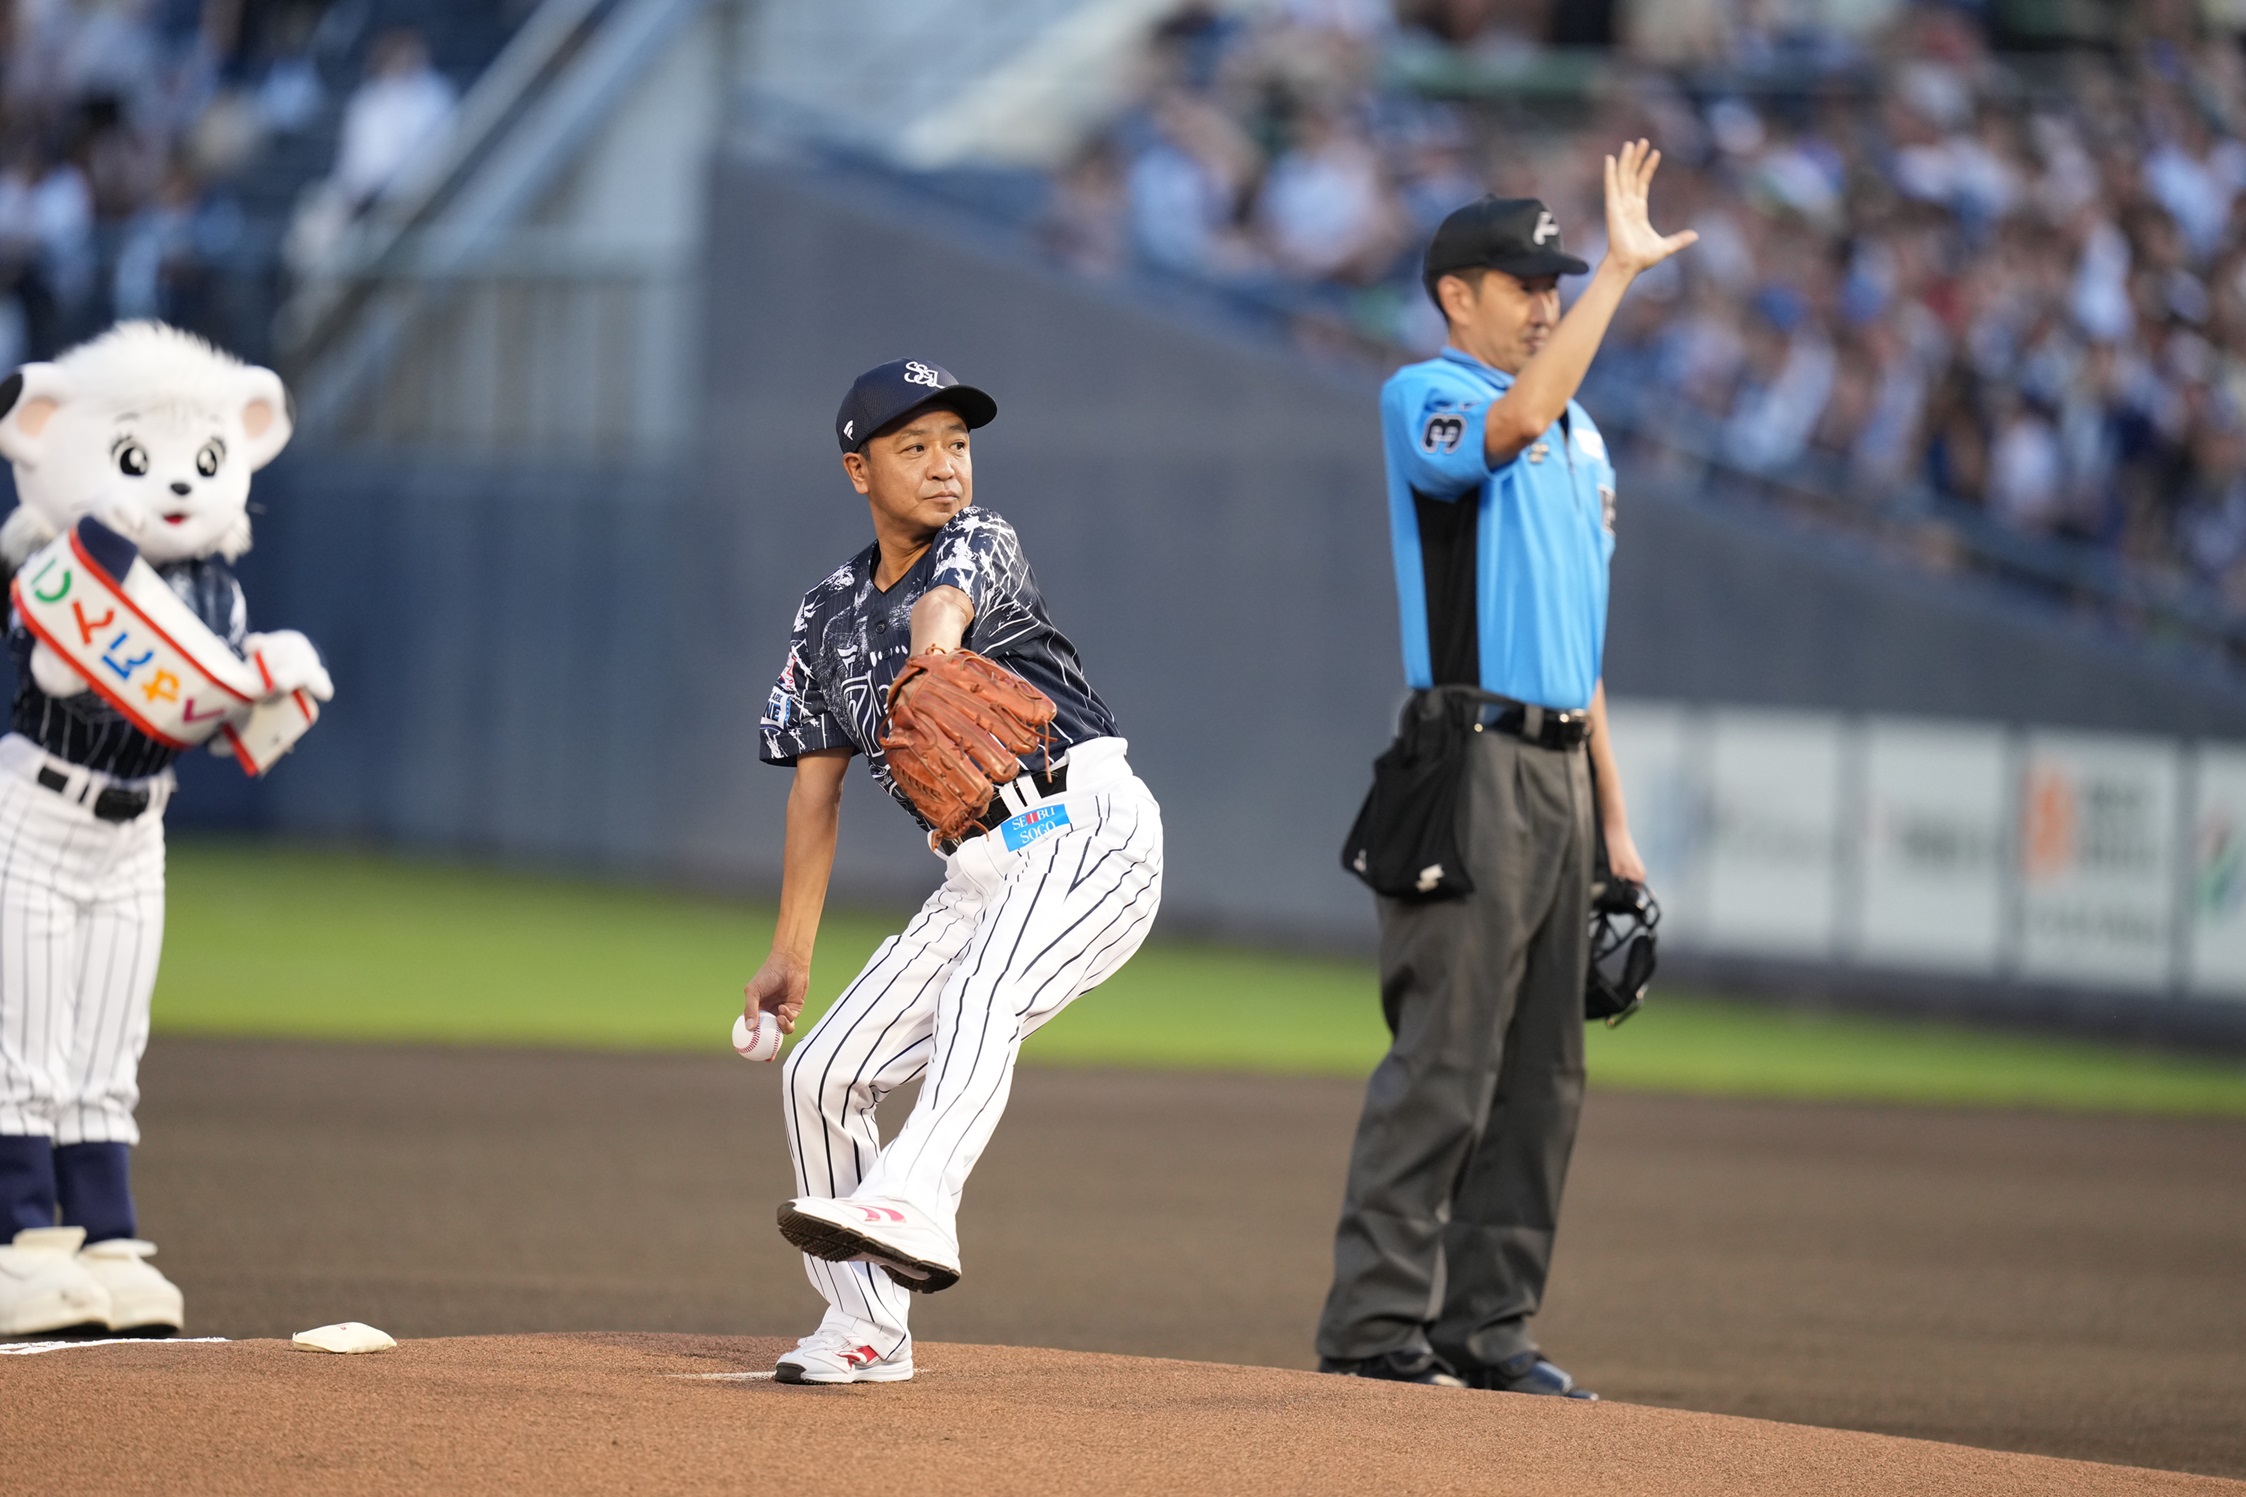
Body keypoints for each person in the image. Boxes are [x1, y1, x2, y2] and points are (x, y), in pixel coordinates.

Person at [1316, 142, 1695, 1394]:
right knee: (1446, 1055)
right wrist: (1621, 279)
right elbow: (1508, 420)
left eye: (1557, 280)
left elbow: (1580, 653)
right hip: (1465, 758)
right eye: (1520, 281)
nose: (1544, 299)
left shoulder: (1586, 439)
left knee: (1543, 1073)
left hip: (1556, 776)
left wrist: (1615, 823)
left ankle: (1489, 1332)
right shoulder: (1423, 392)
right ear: (1453, 297)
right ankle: (1376, 1328)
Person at [749, 359, 1165, 1385]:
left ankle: (917, 1199)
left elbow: (942, 610)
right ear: (859, 470)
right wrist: (788, 955)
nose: (945, 468)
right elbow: (814, 792)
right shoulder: (826, 617)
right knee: (821, 1073)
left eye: (957, 444)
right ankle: (865, 1326)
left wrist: (932, 668)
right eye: (914, 447)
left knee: (989, 987)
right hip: (980, 870)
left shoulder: (982, 537)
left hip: (1088, 831)